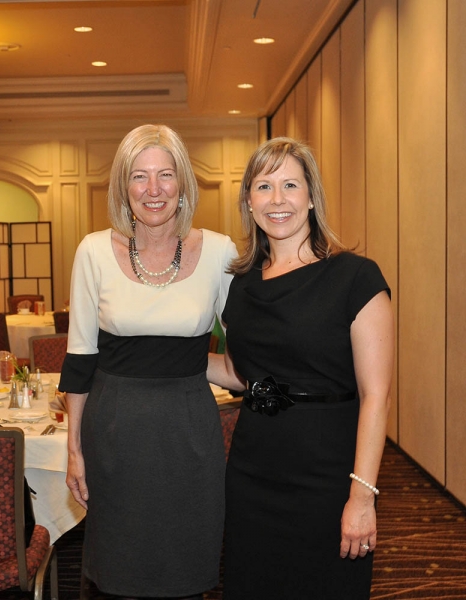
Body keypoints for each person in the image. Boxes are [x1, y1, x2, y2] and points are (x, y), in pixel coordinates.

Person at [207, 137, 394, 599]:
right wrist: (162, 355)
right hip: (252, 471)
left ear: (311, 197)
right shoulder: (241, 284)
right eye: (264, 186)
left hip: (328, 475)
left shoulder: (355, 277)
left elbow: (377, 396)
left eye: (290, 185)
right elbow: (239, 373)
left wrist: (362, 495)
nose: (277, 199)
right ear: (248, 201)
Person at [59, 124, 237, 599]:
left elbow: (248, 348)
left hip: (190, 431)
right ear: (124, 187)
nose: (153, 189)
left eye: (165, 175)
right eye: (139, 176)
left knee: (187, 569)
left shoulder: (220, 252)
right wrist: (74, 450)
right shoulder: (93, 251)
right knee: (119, 573)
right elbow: (79, 358)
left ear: (183, 184)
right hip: (114, 432)